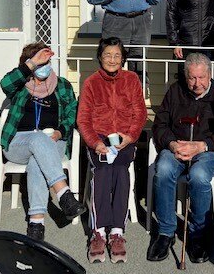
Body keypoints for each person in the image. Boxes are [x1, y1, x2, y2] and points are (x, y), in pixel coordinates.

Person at [147, 53, 214, 264]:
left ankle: (198, 234)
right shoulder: (175, 91)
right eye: (192, 78)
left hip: (207, 151)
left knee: (198, 175)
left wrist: (203, 146)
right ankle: (166, 232)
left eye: (201, 78)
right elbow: (160, 125)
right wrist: (172, 143)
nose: (197, 83)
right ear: (185, 76)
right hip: (177, 146)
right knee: (164, 170)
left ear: (209, 75)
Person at [0, 42, 86, 241]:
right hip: (18, 143)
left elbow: (72, 113)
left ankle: (36, 223)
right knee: (38, 138)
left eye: (47, 61)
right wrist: (31, 64)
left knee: (37, 160)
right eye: (40, 62)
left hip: (53, 142)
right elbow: (5, 84)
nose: (44, 66)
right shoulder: (20, 86)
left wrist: (60, 131)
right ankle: (64, 193)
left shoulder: (62, 85)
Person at [77, 38, 148, 264]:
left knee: (120, 169)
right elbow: (83, 119)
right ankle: (98, 231)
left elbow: (140, 113)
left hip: (124, 139)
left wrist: (131, 136)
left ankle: (116, 231)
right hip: (99, 138)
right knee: (104, 168)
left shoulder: (131, 79)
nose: (112, 60)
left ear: (123, 58)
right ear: (100, 56)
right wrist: (94, 142)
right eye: (108, 55)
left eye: (117, 55)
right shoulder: (91, 83)